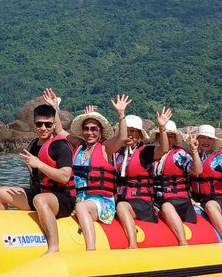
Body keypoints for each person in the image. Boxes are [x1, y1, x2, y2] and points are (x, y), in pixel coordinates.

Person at [49, 93, 130, 251]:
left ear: (100, 132)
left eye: (94, 129)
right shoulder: (78, 145)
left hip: (101, 203)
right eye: (86, 128)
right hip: (78, 199)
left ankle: (91, 249)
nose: (89, 132)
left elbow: (122, 137)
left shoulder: (105, 148)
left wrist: (121, 115)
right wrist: (54, 108)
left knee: (81, 208)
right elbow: (58, 130)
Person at [0, 101, 75, 254]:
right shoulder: (33, 145)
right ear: (33, 124)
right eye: (39, 124)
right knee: (0, 193)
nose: (43, 128)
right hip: (39, 194)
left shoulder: (60, 146)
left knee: (40, 200)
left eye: (48, 125)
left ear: (54, 124)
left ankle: (54, 247)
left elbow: (65, 177)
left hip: (62, 199)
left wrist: (39, 164)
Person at [114, 108, 172, 248]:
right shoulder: (116, 152)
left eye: (133, 131)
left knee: (121, 206)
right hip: (121, 198)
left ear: (139, 134)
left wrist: (162, 128)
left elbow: (163, 149)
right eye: (126, 130)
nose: (129, 134)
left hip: (140, 203)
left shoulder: (145, 152)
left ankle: (133, 244)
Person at [152, 120, 197, 246]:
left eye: (171, 136)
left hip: (177, 200)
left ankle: (183, 242)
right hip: (156, 199)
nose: (167, 138)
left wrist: (194, 151)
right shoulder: (152, 154)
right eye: (164, 135)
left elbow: (196, 170)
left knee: (166, 207)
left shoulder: (180, 154)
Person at [188, 124, 222, 242]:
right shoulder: (191, 158)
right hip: (197, 199)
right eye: (203, 138)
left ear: (214, 142)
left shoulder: (220, 159)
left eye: (209, 139)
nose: (206, 141)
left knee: (210, 206)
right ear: (197, 140)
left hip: (217, 200)